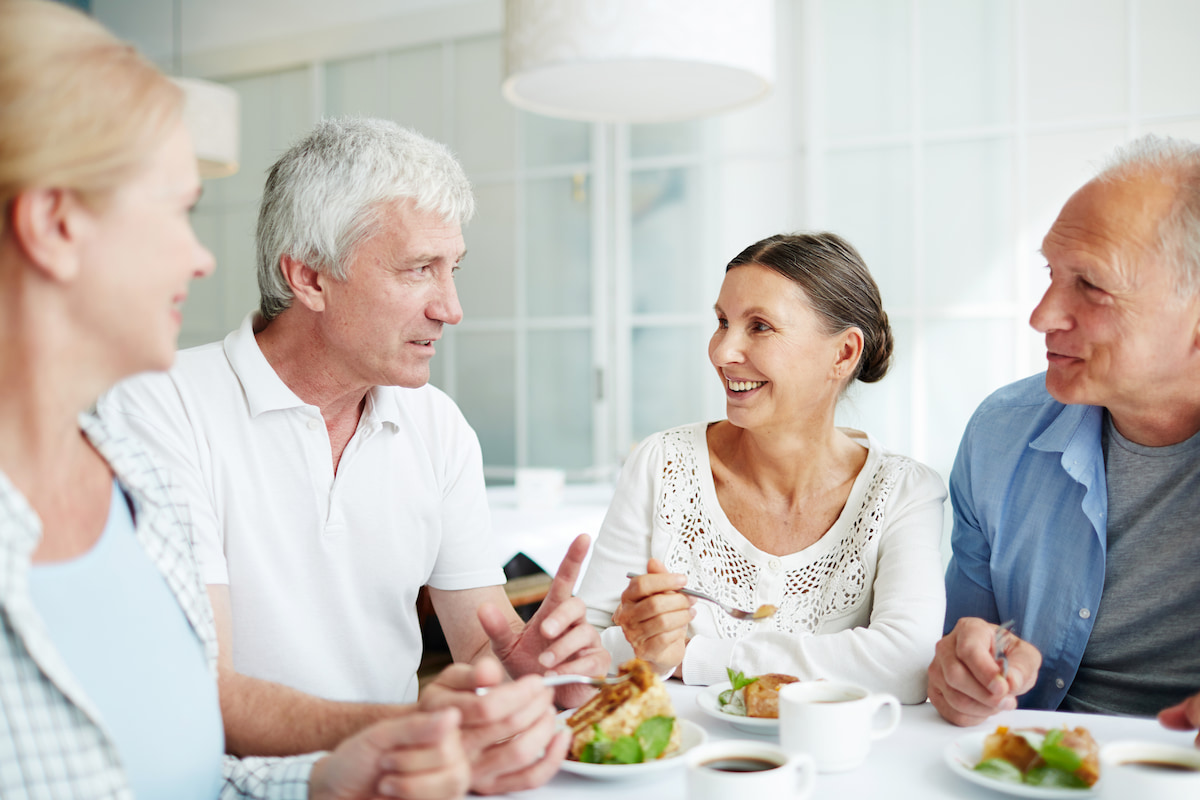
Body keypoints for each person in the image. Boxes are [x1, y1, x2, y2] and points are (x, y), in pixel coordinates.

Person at [0, 0, 477, 796]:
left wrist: (334, 778)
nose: (202, 258)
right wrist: (400, 731)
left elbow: (187, 769)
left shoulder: (125, 474)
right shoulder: (155, 419)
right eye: (175, 211)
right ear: (52, 224)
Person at [97, 115, 609, 787]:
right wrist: (408, 725)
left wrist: (529, 664)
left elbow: (480, 645)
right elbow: (204, 690)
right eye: (419, 270)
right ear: (309, 277)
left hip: (398, 781)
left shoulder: (438, 425)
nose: (450, 308)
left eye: (451, 269)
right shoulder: (162, 407)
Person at [575, 232, 947, 703]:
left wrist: (689, 657)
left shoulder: (902, 492)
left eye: (760, 327)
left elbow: (906, 664)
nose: (721, 352)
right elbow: (580, 650)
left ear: (843, 353)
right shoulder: (662, 463)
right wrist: (646, 649)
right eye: (722, 321)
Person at [928, 134, 1200, 746]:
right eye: (1052, 273)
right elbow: (965, 643)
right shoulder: (1000, 434)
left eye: (1092, 285)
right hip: (1032, 767)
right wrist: (966, 668)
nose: (1043, 314)